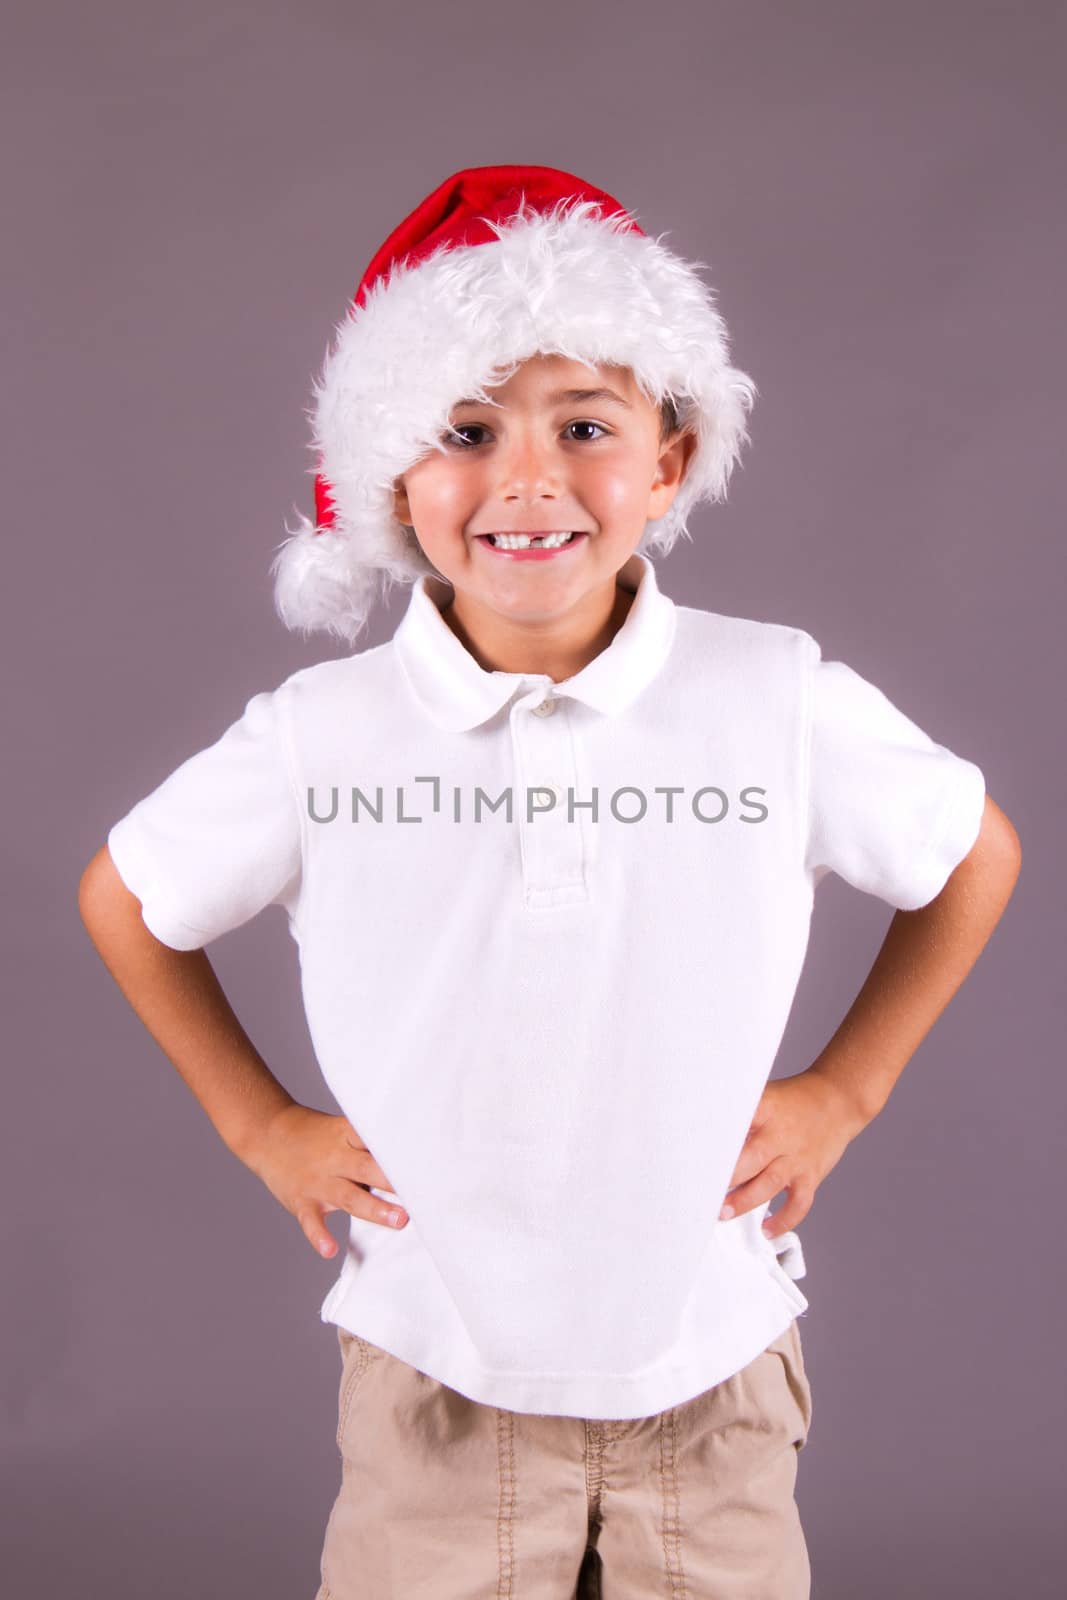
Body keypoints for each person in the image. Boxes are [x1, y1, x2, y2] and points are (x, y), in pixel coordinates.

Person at [78, 165, 1021, 1600]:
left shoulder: (770, 695)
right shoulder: (324, 734)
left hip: (709, 1357)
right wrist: (262, 1124)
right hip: (435, 1367)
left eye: (585, 426)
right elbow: (128, 899)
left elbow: (971, 855)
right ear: (393, 470)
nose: (527, 480)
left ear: (671, 456)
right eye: (465, 432)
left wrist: (847, 1091)